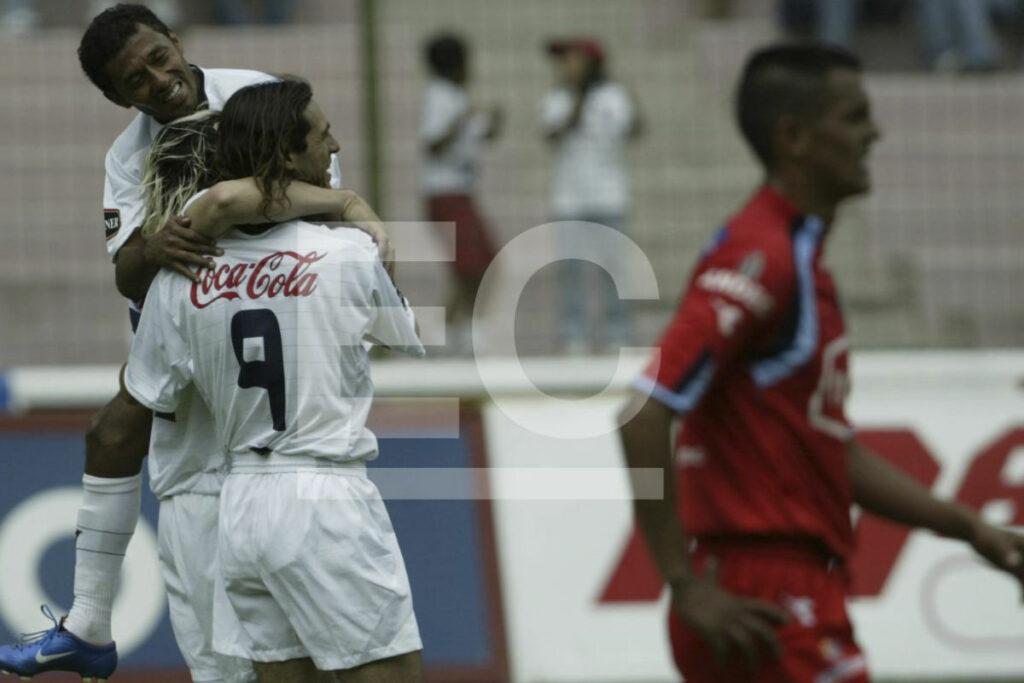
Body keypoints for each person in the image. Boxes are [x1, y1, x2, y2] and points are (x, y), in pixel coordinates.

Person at [0, 4, 388, 680]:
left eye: (158, 57)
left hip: (261, 319)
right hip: (194, 321)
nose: (158, 78)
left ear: (177, 42)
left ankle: (91, 620)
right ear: (118, 97)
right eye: (135, 78)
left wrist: (218, 213)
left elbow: (313, 192)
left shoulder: (258, 95)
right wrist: (159, 241)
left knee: (127, 432)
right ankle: (90, 618)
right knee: (115, 433)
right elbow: (127, 271)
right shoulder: (126, 156)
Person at [617, 42, 1024, 682]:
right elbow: (642, 411)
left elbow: (829, 446)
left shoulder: (796, 259)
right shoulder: (763, 258)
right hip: (766, 594)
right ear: (796, 138)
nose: (875, 132)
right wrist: (683, 583)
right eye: (855, 117)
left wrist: (968, 526)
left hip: (787, 585)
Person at [122, 79, 425, 683]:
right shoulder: (345, 254)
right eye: (322, 134)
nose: (334, 145)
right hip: (323, 493)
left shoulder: (179, 277)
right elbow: (402, 335)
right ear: (287, 156)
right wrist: (350, 215)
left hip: (239, 505)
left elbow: (150, 390)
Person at [540, 37, 642, 354]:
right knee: (572, 268)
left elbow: (635, 128)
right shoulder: (556, 99)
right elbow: (552, 133)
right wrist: (578, 103)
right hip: (569, 198)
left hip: (609, 195)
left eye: (572, 59)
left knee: (613, 267)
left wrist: (632, 100)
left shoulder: (613, 96)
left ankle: (618, 332)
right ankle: (574, 335)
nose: (566, 67)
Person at [420, 32, 501, 355]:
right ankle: (445, 335)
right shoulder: (439, 96)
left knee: (483, 261)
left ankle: (461, 329)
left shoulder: (456, 96)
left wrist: (489, 125)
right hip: (445, 192)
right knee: (466, 267)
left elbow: (473, 136)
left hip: (462, 191)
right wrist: (461, 120)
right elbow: (433, 142)